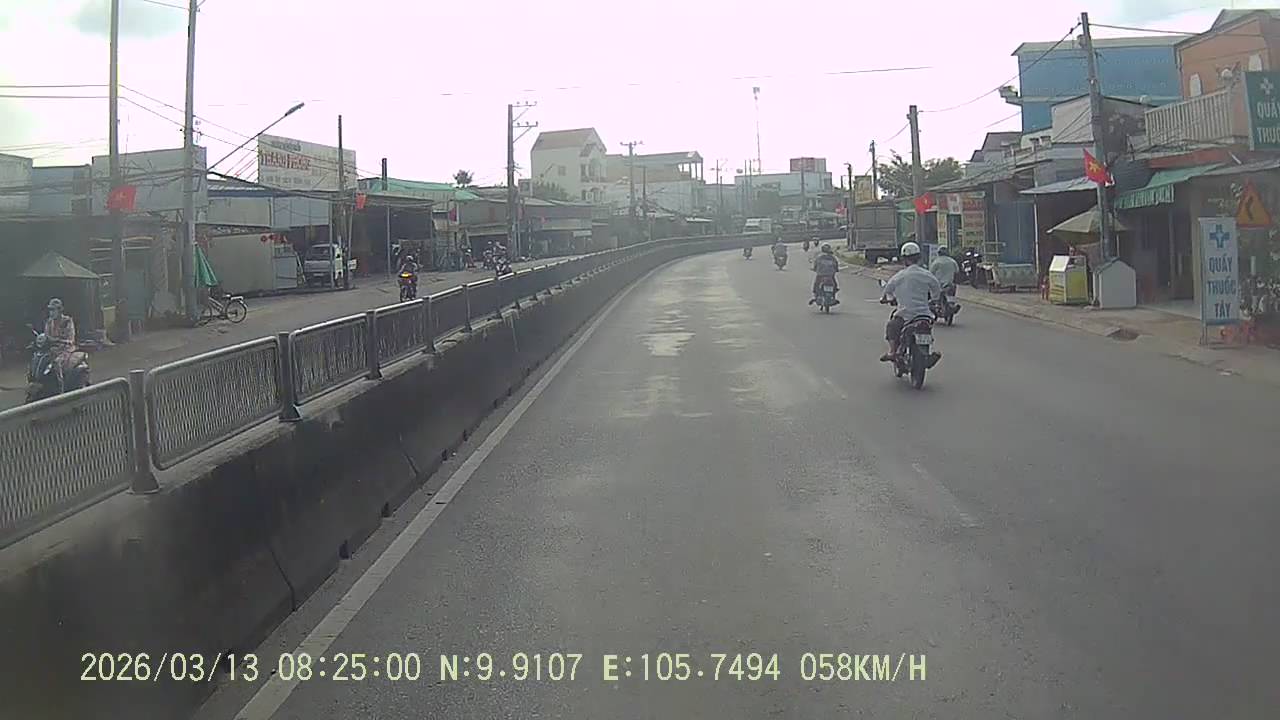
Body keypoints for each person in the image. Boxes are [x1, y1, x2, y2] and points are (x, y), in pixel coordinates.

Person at [880, 242, 942, 363]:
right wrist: (934, 299)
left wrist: (885, 299)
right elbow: (936, 288)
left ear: (904, 259)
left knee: (891, 326)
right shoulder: (926, 274)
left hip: (905, 316)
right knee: (927, 329)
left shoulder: (899, 276)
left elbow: (888, 290)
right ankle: (928, 353)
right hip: (924, 315)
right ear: (919, 257)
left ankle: (892, 352)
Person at [43, 298, 78, 378]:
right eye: (50, 310)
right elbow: (46, 335)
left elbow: (71, 338)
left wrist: (60, 341)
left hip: (66, 349)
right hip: (52, 349)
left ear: (59, 310)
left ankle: (61, 383)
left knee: (57, 362)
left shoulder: (67, 321)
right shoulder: (49, 322)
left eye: (53, 310)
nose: (51, 312)